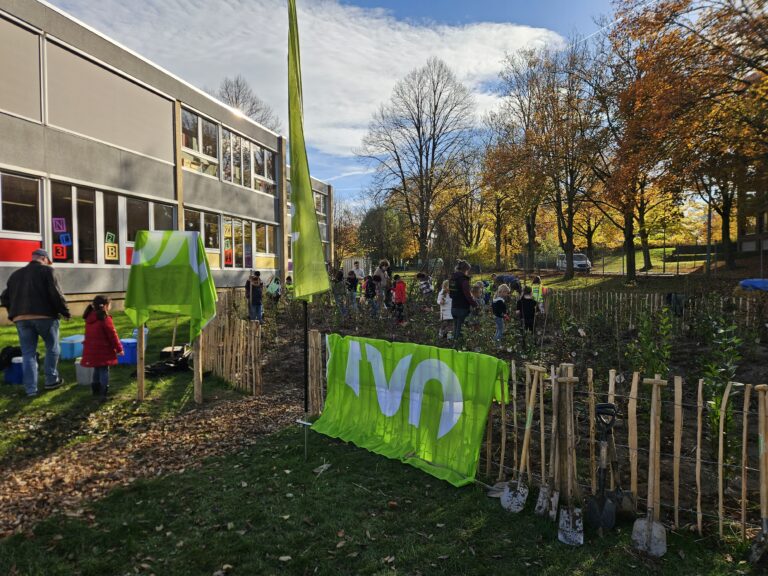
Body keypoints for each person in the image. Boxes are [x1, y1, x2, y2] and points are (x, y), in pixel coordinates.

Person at [0, 248, 70, 398]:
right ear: (44, 258)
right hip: (45, 317)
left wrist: (14, 314)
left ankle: (31, 390)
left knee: (28, 354)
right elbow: (56, 294)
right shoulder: (48, 271)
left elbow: (4, 298)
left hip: (21, 319)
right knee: (52, 347)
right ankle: (51, 380)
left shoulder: (15, 275)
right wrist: (65, 312)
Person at [81, 295, 123, 400]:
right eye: (109, 305)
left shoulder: (89, 317)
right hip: (103, 350)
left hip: (92, 349)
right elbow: (113, 335)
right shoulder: (105, 319)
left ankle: (95, 390)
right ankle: (104, 392)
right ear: (105, 306)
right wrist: (119, 349)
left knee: (97, 368)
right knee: (104, 369)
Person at [448, 260, 477, 342]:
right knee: (460, 330)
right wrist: (474, 304)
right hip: (462, 308)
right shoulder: (464, 280)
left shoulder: (452, 279)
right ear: (466, 270)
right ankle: (458, 347)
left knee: (456, 328)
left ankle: (454, 345)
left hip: (453, 307)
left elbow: (450, 294)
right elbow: (467, 294)